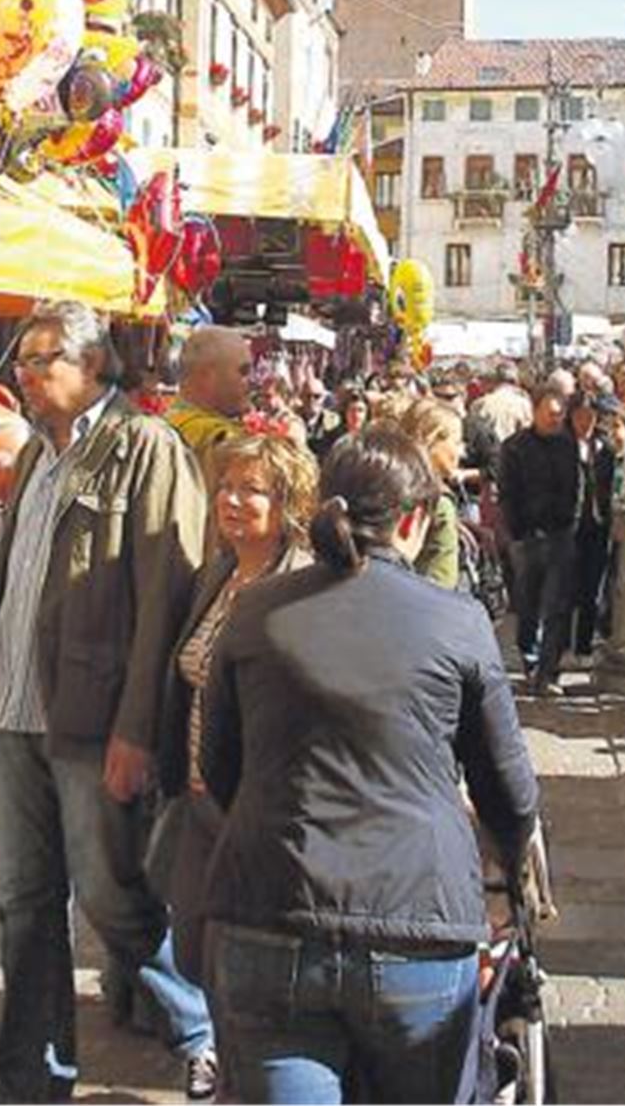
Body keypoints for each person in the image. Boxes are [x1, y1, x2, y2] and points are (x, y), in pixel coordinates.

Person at [200, 424, 541, 1105]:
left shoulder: (257, 612)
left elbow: (220, 766)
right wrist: (512, 861)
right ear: (414, 520)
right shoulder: (457, 620)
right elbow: (507, 785)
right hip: (418, 919)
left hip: (271, 909)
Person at [0, 301, 215, 1104]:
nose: (26, 375)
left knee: (113, 898)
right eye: (22, 360)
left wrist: (137, 727)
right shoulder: (30, 460)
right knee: (24, 906)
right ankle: (31, 1078)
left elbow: (167, 598)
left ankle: (199, 1025)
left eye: (43, 360)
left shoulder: (145, 448)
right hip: (14, 713)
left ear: (94, 368)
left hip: (91, 719)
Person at [157, 431, 318, 982]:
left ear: (288, 503)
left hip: (256, 803)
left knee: (243, 954)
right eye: (224, 487)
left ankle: (233, 1060)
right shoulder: (217, 575)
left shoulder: (301, 587)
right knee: (192, 948)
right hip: (199, 795)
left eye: (250, 490)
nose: (229, 500)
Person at [498, 389, 582, 695]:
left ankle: (548, 670)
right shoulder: (516, 447)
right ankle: (530, 657)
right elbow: (507, 492)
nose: (555, 420)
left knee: (557, 605)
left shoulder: (567, 445)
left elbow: (575, 485)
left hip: (560, 534)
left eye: (559, 415)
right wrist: (517, 531)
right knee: (528, 602)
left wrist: (568, 520)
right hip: (528, 536)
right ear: (535, 412)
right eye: (549, 414)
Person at [166, 327, 252, 478]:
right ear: (207, 376)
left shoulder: (165, 422)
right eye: (243, 372)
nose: (252, 382)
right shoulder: (218, 439)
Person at [568, 393, 616, 663]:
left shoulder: (604, 448)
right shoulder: (562, 446)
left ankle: (584, 645)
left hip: (597, 526)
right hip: (570, 525)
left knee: (591, 590)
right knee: (567, 589)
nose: (585, 422)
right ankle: (562, 646)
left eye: (590, 417)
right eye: (580, 417)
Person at [400, 397, 463, 589]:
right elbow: (442, 579)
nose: (462, 451)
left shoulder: (395, 486)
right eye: (457, 441)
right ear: (434, 441)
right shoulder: (439, 504)